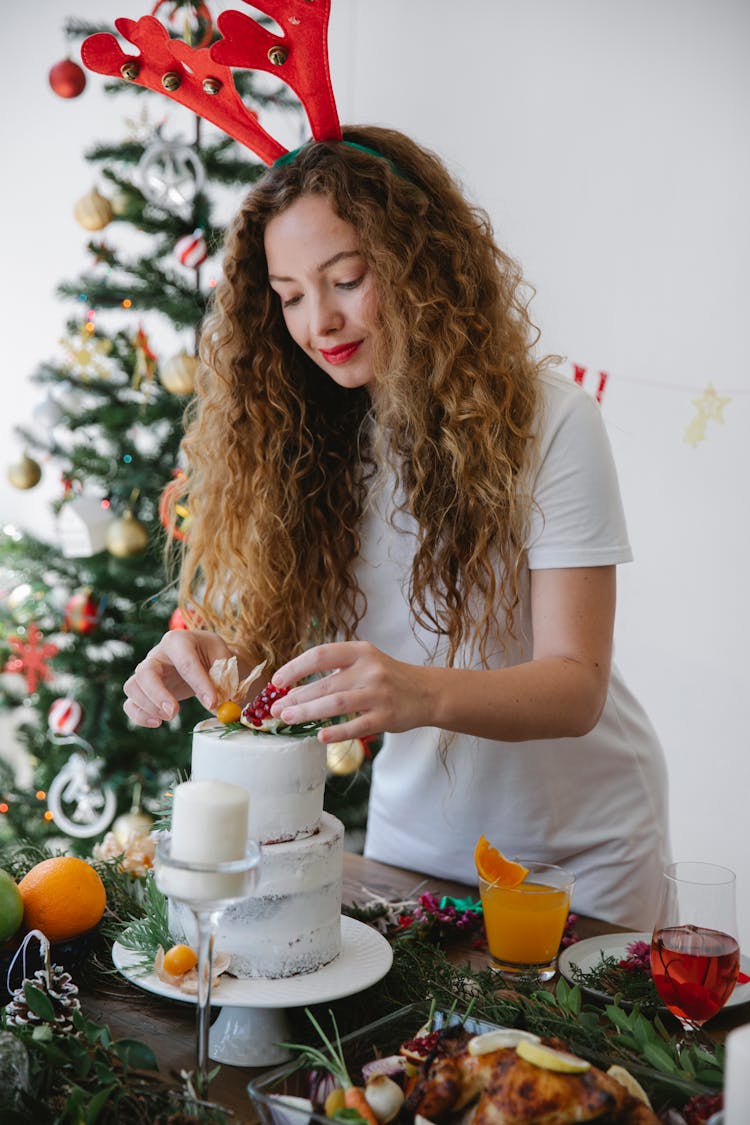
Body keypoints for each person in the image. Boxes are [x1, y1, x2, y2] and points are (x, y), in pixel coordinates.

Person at [123, 125, 671, 929]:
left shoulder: (552, 420)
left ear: (421, 267)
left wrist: (415, 690)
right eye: (290, 295)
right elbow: (302, 660)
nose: (320, 323)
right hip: (410, 852)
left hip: (582, 860)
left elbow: (576, 684)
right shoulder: (310, 440)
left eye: (346, 279)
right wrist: (224, 662)